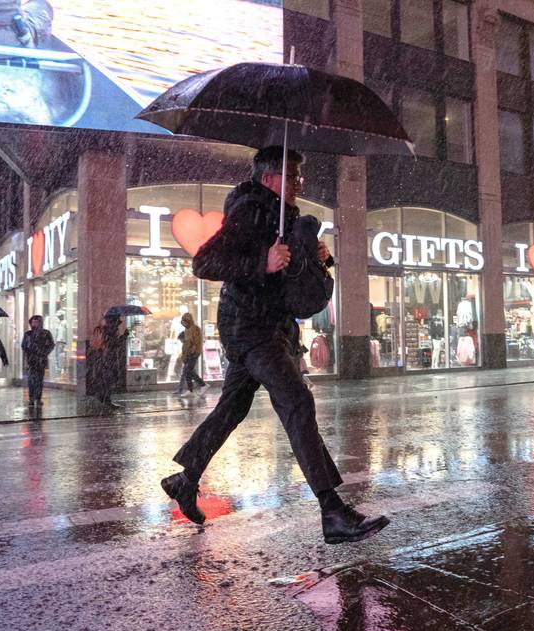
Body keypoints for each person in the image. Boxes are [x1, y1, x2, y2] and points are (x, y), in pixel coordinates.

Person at [163, 146, 389, 545]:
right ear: (269, 178)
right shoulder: (250, 209)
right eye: (293, 176)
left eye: (300, 176)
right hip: (249, 326)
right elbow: (205, 263)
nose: (299, 183)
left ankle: (186, 479)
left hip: (269, 326)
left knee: (232, 408)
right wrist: (260, 263)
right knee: (296, 401)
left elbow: (289, 279)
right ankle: (332, 510)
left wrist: (317, 257)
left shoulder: (284, 215)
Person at [86, 314, 128, 409]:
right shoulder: (110, 330)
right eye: (117, 322)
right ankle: (106, 399)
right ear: (113, 322)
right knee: (109, 379)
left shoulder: (104, 329)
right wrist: (124, 336)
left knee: (106, 379)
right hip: (107, 358)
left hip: (102, 358)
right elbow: (113, 344)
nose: (118, 324)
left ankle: (104, 398)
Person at [21, 315, 55, 406]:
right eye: (33, 322)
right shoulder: (28, 334)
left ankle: (38, 398)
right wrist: (28, 352)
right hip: (31, 360)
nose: (34, 323)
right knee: (31, 380)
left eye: (36, 322)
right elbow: (23, 345)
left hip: (41, 360)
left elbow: (51, 345)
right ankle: (31, 398)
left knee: (39, 380)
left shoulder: (46, 333)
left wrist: (44, 352)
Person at [175, 312, 207, 398]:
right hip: (188, 353)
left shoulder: (195, 329)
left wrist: (192, 351)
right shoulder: (187, 330)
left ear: (188, 320)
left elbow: (197, 342)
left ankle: (202, 385)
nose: (184, 324)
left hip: (194, 353)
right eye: (183, 322)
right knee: (187, 371)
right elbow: (186, 343)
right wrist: (184, 353)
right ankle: (192, 389)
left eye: (185, 322)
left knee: (188, 371)